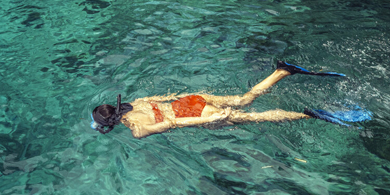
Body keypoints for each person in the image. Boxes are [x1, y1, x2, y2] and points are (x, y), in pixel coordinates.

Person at [89, 61, 370, 138]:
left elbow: (170, 125)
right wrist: (200, 105)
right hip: (188, 102)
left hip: (189, 115)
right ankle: (282, 71)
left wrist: (210, 119)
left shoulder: (137, 129)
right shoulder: (135, 101)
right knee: (243, 99)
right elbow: (170, 99)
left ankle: (311, 115)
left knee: (254, 117)